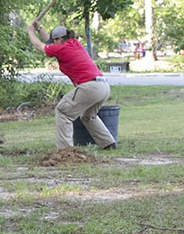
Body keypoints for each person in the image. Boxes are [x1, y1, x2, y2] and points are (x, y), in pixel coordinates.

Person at [26, 21, 116, 150]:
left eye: (55, 40)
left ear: (60, 39)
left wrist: (30, 31)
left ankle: (65, 151)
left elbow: (39, 46)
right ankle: (108, 144)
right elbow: (49, 43)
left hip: (89, 86)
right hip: (103, 86)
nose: (52, 43)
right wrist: (39, 28)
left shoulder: (62, 48)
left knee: (63, 112)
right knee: (88, 116)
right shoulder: (74, 43)